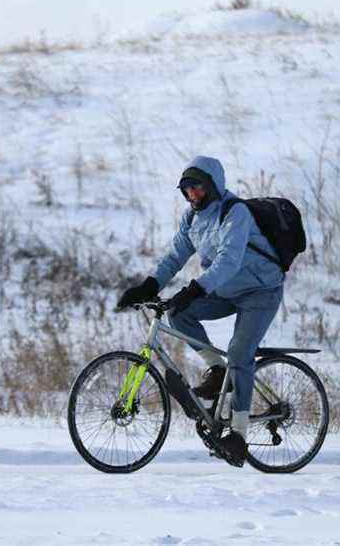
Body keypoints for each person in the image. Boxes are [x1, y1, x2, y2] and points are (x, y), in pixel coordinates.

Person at [117, 156, 284, 466]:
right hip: (225, 290)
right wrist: (148, 286)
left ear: (213, 186)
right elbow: (174, 256)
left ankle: (238, 434)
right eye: (186, 188)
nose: (192, 193)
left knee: (239, 353)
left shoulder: (236, 213)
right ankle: (218, 372)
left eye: (197, 187)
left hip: (261, 290)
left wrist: (195, 288)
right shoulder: (192, 219)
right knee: (178, 314)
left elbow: (229, 261)